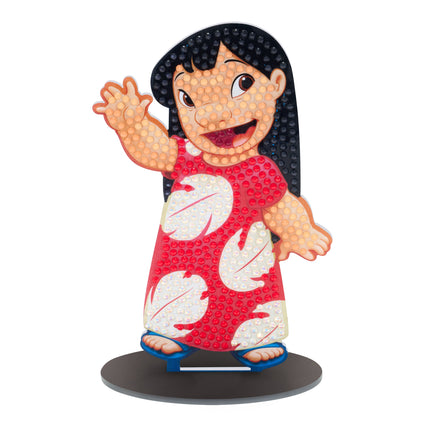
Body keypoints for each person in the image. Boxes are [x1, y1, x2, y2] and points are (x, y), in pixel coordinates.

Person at [93, 24, 331, 370]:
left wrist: (299, 232)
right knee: (177, 291)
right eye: (189, 100)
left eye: (241, 85)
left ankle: (255, 337)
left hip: (243, 255)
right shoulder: (185, 155)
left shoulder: (259, 170)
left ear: (276, 85)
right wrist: (131, 125)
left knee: (249, 292)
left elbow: (279, 206)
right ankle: (173, 331)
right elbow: (153, 150)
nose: (211, 114)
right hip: (185, 258)